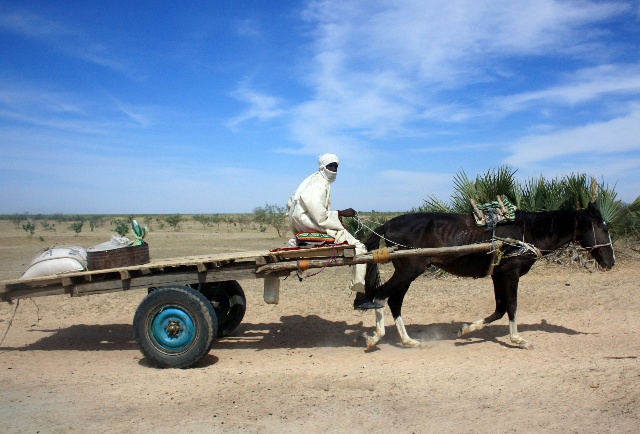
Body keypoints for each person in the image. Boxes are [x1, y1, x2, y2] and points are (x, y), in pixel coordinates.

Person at [287, 153, 383, 310]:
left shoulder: (313, 180)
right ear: (322, 167)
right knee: (360, 248)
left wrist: (339, 214)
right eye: (330, 166)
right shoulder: (318, 183)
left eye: (336, 166)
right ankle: (360, 296)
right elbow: (319, 215)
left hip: (306, 222)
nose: (333, 169)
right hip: (310, 223)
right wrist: (339, 217)